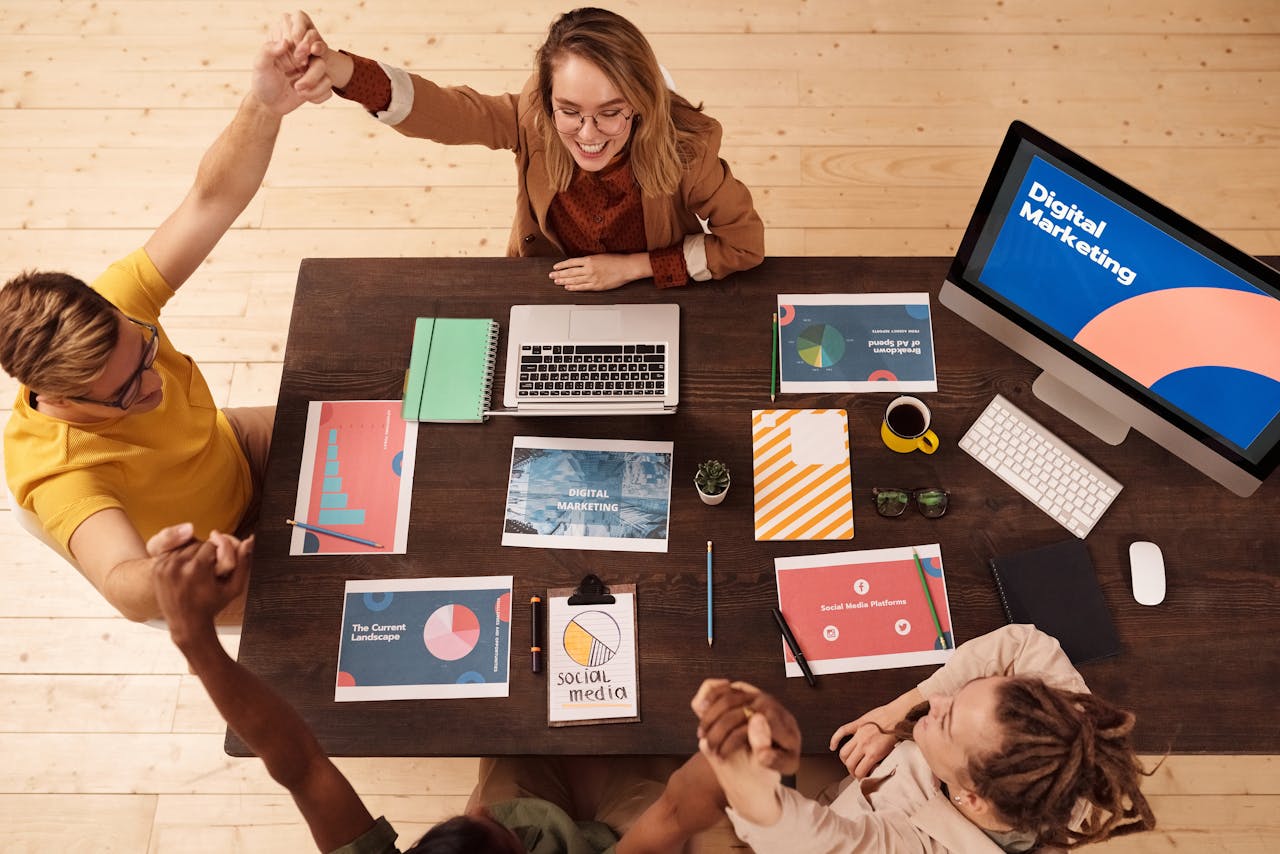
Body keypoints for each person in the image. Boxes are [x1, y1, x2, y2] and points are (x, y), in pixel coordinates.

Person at [0, 26, 334, 623]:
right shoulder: (58, 469)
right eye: (127, 391)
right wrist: (171, 571)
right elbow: (122, 582)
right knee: (354, 597)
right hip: (219, 558)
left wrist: (264, 104)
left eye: (145, 352)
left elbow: (211, 199)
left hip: (237, 449)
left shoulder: (118, 305)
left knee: (388, 419)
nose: (156, 386)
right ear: (60, 397)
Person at [146, 522, 729, 853]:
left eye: (471, 819)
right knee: (659, 748)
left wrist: (194, 637)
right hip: (613, 838)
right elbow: (677, 810)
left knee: (518, 726)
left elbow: (298, 763)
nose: (482, 811)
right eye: (491, 824)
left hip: (552, 819)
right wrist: (735, 735)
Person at [283, 7, 764, 291]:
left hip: (652, 291)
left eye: (611, 112)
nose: (590, 134)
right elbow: (447, 111)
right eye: (570, 111)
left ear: (640, 102)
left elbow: (744, 245)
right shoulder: (532, 116)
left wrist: (633, 268)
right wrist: (344, 71)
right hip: (546, 283)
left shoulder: (688, 149)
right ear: (547, 99)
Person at [693, 624, 1156, 852]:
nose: (932, 706)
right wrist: (892, 715)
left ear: (971, 798)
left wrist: (741, 756)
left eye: (946, 720)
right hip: (853, 786)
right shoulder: (1059, 734)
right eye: (955, 697)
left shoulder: (921, 846)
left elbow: (813, 844)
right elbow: (1023, 644)